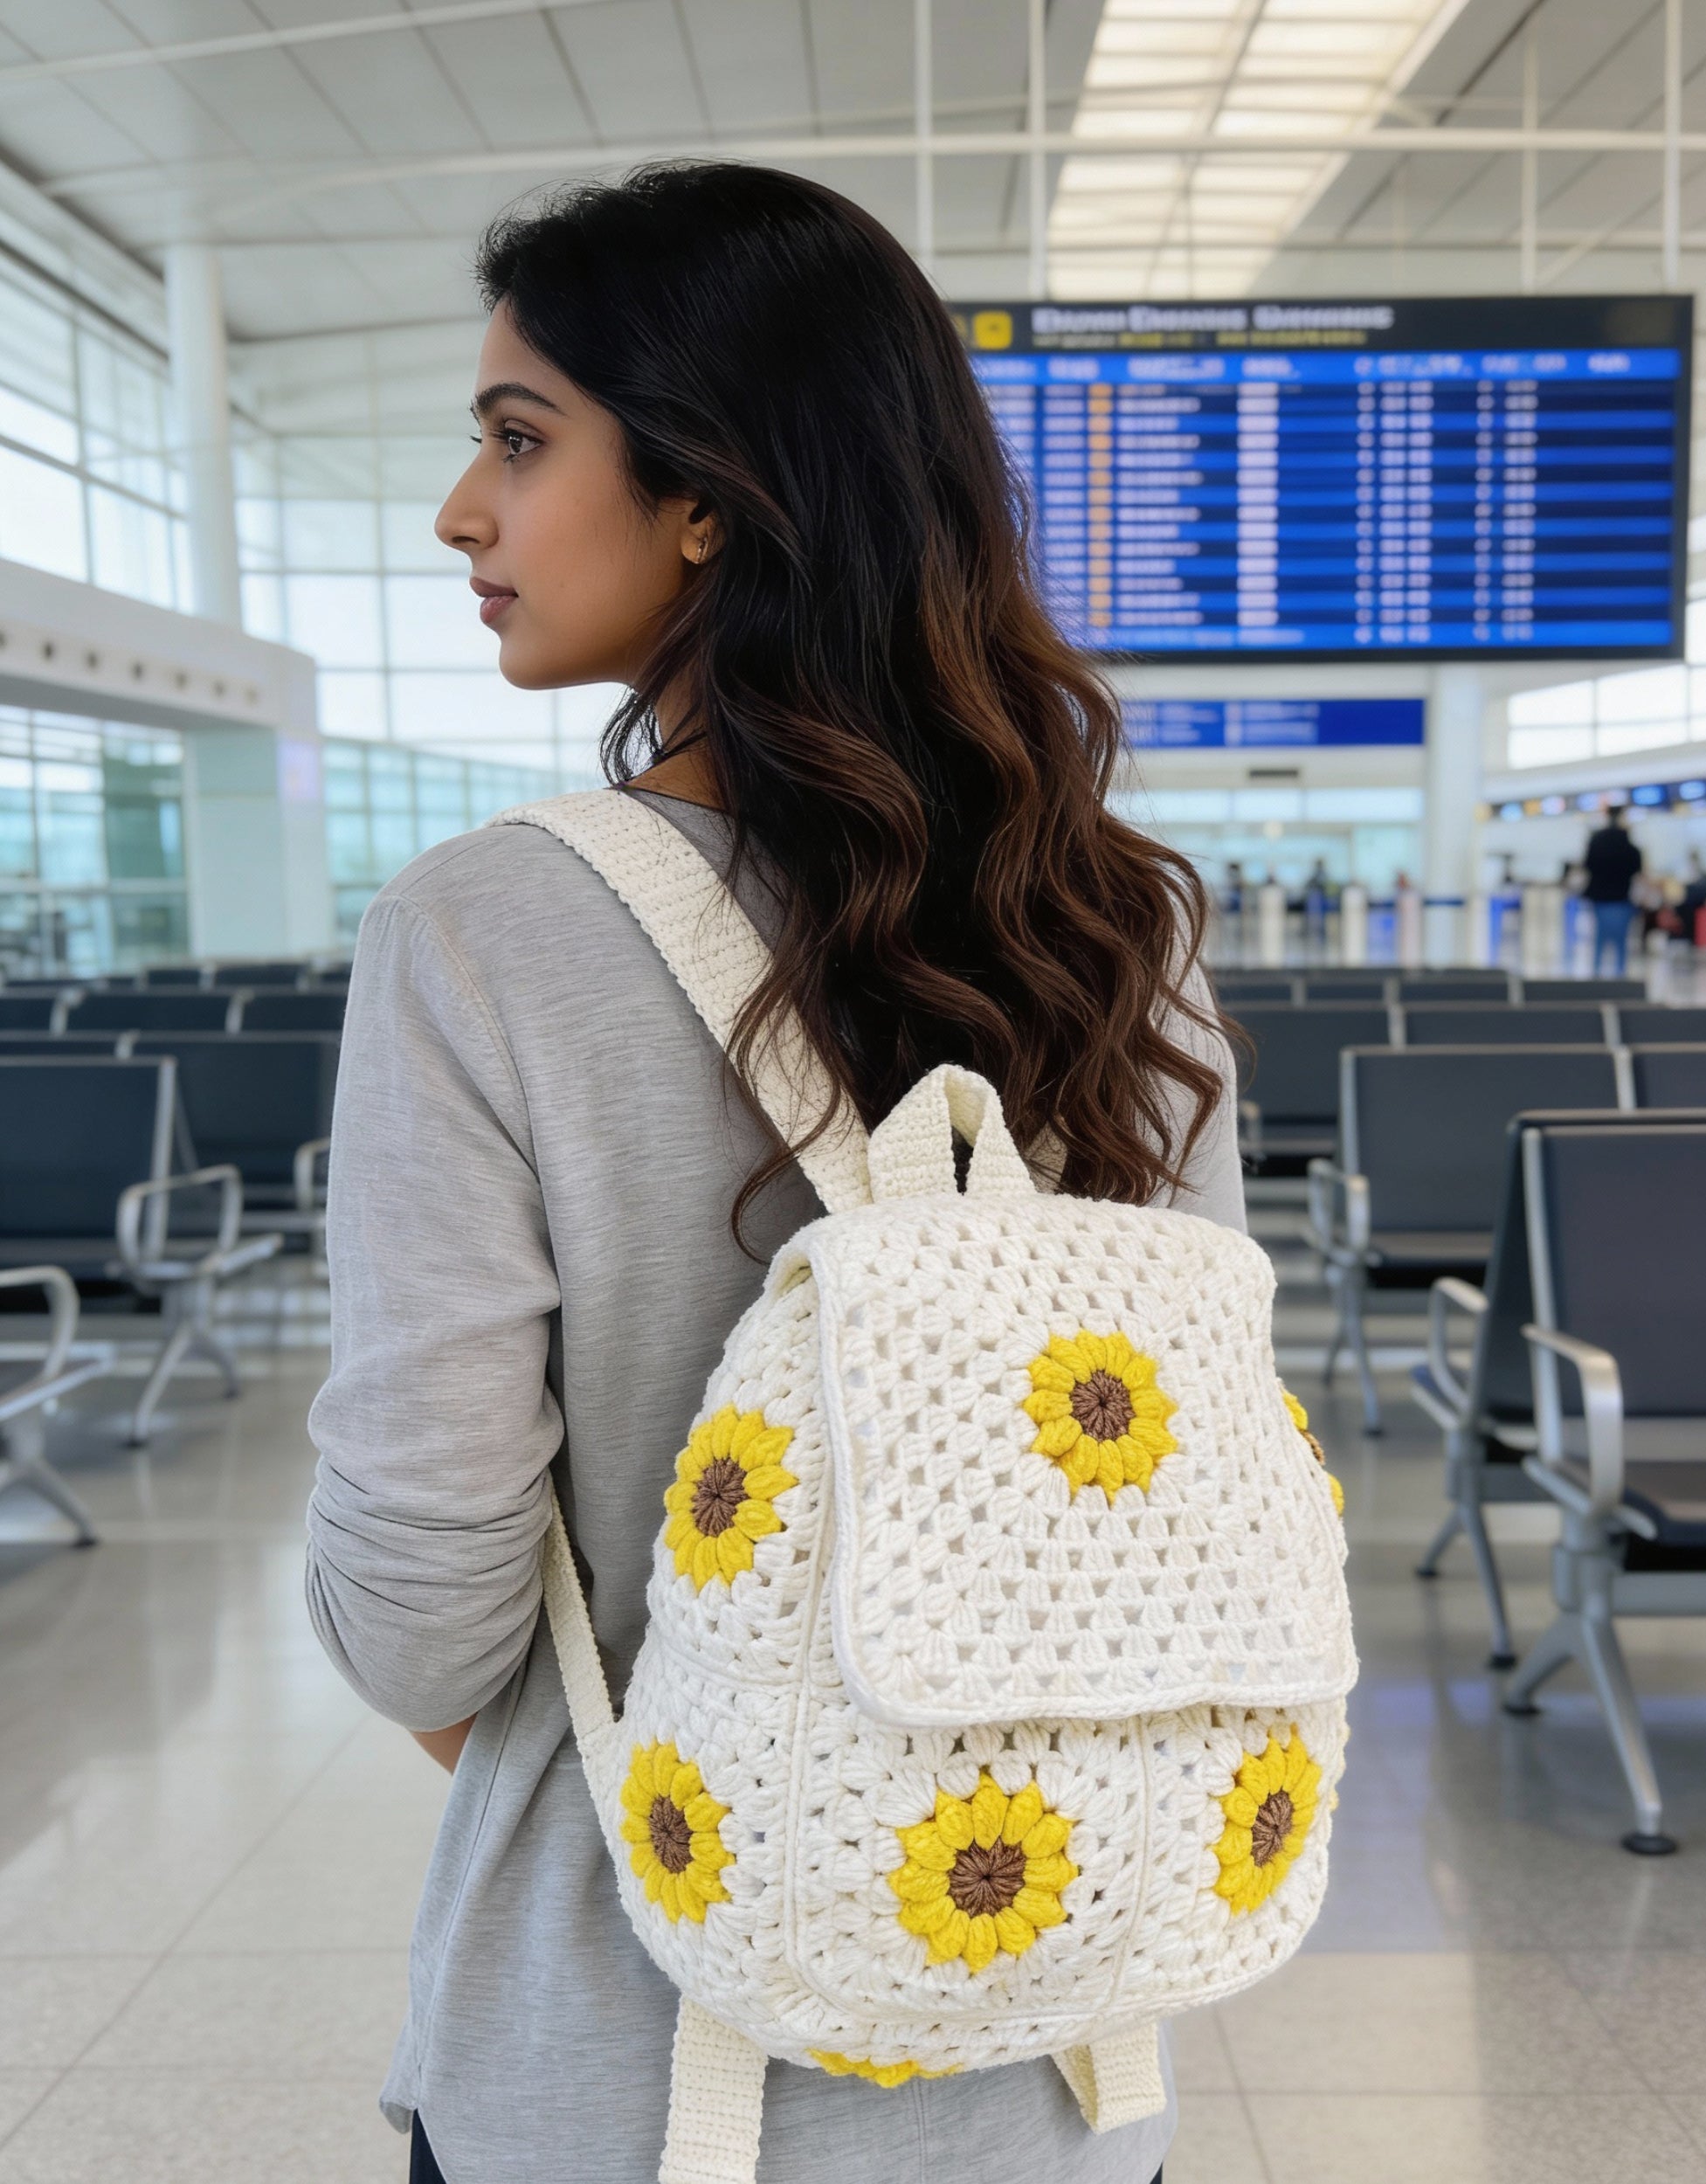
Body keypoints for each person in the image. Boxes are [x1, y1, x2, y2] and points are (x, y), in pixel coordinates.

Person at [305, 163, 1243, 2184]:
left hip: (625, 2076)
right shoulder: (1115, 934)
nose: (463, 512)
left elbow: (419, 1621)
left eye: (517, 438)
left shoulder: (481, 931)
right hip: (1058, 2056)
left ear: (710, 494)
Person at [1583, 805, 1642, 976]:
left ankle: (1596, 974)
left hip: (1600, 898)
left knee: (1600, 938)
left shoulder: (1596, 842)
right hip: (1622, 898)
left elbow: (1588, 867)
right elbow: (1636, 872)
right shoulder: (1630, 847)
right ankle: (1620, 975)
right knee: (1621, 941)